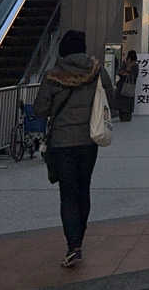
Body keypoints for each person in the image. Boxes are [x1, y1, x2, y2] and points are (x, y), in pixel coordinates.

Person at [34, 29, 114, 267]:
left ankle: (73, 244)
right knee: (83, 188)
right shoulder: (96, 70)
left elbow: (40, 109)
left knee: (67, 193)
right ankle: (79, 237)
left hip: (61, 142)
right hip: (89, 140)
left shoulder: (53, 75)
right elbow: (110, 94)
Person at [116, 49, 138, 121]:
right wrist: (126, 71)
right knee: (123, 102)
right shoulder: (125, 63)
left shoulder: (134, 65)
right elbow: (120, 73)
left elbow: (130, 75)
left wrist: (127, 68)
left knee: (126, 102)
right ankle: (123, 116)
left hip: (128, 87)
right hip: (124, 87)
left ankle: (125, 117)